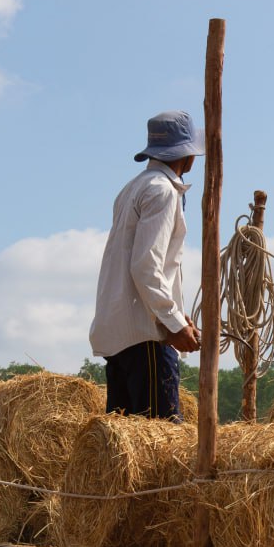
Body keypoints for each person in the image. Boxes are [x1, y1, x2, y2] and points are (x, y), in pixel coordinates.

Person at [89, 110, 204, 421]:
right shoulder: (163, 191)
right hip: (146, 336)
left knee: (128, 450)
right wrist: (174, 324)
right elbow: (145, 266)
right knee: (159, 445)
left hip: (119, 334)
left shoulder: (132, 188)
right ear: (187, 155)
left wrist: (176, 314)